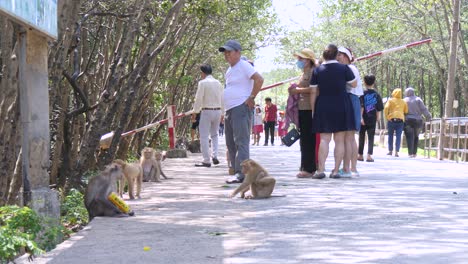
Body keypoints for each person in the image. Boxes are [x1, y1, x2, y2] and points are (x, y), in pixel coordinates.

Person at [219, 40, 264, 184]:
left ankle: (242, 173)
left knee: (241, 141)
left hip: (240, 107)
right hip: (230, 109)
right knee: (230, 142)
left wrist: (251, 97)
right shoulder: (230, 70)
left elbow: (259, 79)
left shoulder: (244, 65)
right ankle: (235, 169)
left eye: (229, 52)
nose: (226, 55)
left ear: (238, 52)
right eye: (225, 52)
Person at [310, 44, 357, 179]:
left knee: (324, 139)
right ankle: (336, 170)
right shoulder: (344, 68)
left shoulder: (318, 70)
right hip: (342, 104)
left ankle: (320, 170)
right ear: (337, 55)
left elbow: (313, 91)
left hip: (323, 104)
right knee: (339, 139)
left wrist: (314, 108)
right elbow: (353, 84)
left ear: (324, 55)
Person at [289, 48, 319, 178]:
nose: (299, 61)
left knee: (308, 140)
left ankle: (309, 168)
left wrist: (298, 90)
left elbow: (315, 90)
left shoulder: (314, 72)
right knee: (304, 139)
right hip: (301, 108)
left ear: (308, 60)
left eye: (301, 59)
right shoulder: (303, 73)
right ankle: (305, 165)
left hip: (309, 109)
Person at [337, 47, 363, 177]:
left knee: (348, 137)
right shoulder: (351, 68)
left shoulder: (349, 69)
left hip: (350, 99)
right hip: (354, 100)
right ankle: (353, 168)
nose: (337, 58)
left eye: (339, 55)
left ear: (346, 56)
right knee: (351, 138)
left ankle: (346, 168)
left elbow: (351, 84)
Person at [192, 64, 224, 168]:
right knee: (215, 135)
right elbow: (222, 98)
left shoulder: (202, 83)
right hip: (218, 111)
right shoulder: (218, 83)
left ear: (203, 73)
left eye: (201, 72)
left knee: (204, 136)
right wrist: (223, 112)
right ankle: (214, 155)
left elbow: (198, 99)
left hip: (206, 111)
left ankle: (206, 160)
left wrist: (195, 112)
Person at [358, 74, 384, 162]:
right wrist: (378, 118)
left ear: (364, 82)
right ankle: (369, 156)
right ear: (373, 83)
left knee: (361, 136)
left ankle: (360, 155)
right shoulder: (377, 94)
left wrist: (361, 117)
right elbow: (379, 108)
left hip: (363, 118)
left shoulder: (362, 93)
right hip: (372, 118)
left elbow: (361, 106)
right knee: (371, 137)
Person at [403, 87, 431, 158]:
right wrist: (428, 116)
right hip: (418, 120)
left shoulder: (404, 100)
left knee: (409, 137)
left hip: (408, 120)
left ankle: (410, 153)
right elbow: (424, 109)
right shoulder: (418, 99)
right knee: (416, 136)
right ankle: (414, 153)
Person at [384, 88, 408, 157]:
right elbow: (406, 111)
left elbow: (386, 108)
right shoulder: (403, 101)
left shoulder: (390, 100)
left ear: (393, 93)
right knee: (398, 136)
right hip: (400, 121)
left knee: (390, 135)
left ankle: (390, 151)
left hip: (391, 120)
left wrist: (387, 117)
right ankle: (397, 152)